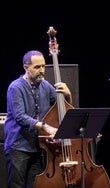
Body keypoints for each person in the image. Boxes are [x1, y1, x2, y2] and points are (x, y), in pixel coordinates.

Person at [4, 50, 72, 188]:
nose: (41, 70)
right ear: (26, 68)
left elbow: (61, 107)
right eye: (37, 67)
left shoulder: (45, 85)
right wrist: (45, 126)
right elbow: (20, 117)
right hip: (18, 147)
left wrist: (67, 94)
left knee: (34, 185)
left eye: (43, 66)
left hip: (37, 147)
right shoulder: (15, 87)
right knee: (16, 185)